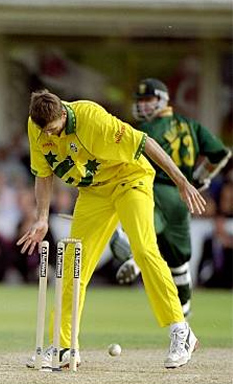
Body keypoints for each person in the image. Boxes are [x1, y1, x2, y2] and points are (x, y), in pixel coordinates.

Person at [17, 89, 206, 370]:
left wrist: (181, 182)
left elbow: (147, 143)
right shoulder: (38, 128)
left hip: (131, 179)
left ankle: (181, 330)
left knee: (143, 250)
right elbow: (43, 174)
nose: (51, 138)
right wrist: (42, 217)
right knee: (72, 266)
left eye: (55, 131)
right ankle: (65, 347)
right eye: (46, 133)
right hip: (94, 192)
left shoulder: (94, 120)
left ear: (63, 115)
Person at [111, 78, 231, 317]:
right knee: (179, 261)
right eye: (141, 100)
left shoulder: (146, 130)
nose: (143, 105)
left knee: (139, 229)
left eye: (149, 100)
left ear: (163, 100)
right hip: (182, 197)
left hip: (155, 189)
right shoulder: (190, 125)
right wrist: (198, 178)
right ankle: (184, 313)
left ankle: (134, 257)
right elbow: (219, 154)